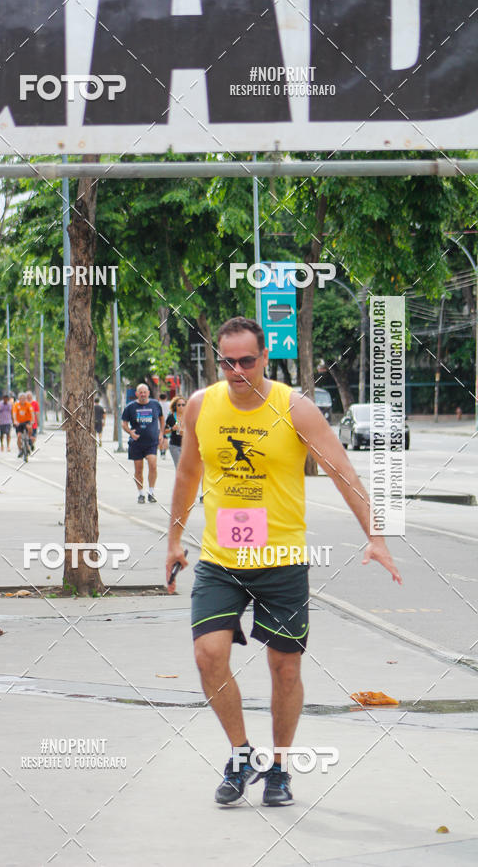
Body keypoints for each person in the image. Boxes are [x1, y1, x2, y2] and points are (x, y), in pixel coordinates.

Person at [165, 316, 401, 808]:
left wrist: (374, 536)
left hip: (282, 559)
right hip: (221, 557)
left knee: (285, 669)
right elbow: (187, 474)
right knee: (208, 655)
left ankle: (279, 768)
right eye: (226, 361)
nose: (236, 369)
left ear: (265, 357)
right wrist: (173, 540)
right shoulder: (200, 406)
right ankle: (240, 753)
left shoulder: (294, 408)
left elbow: (343, 471)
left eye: (246, 360)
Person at [121, 383, 164, 503]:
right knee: (138, 470)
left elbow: (161, 418)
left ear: (149, 393)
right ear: (137, 394)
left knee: (153, 465)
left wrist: (161, 433)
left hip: (151, 442)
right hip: (136, 443)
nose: (143, 394)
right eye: (141, 392)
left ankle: (151, 492)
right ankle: (141, 494)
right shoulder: (130, 407)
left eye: (145, 392)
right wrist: (130, 432)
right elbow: (124, 423)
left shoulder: (155, 404)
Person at [164, 396, 186, 467]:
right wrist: (172, 429)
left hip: (187, 446)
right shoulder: (171, 417)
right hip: (175, 446)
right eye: (179, 405)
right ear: (175, 406)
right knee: (179, 467)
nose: (181, 406)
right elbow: (164, 431)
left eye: (183, 405)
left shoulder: (189, 416)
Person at [12, 392, 34, 457]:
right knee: (19, 436)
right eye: (21, 398)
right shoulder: (16, 405)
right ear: (19, 399)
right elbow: (14, 414)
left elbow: (32, 413)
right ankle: (20, 450)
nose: (22, 400)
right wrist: (15, 421)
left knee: (29, 428)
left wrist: (32, 421)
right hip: (19, 422)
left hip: (27, 421)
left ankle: (29, 439)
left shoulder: (28, 404)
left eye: (24, 398)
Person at [158, 392, 171, 458]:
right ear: (166, 398)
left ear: (159, 398)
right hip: (167, 424)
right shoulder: (169, 404)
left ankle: (161, 452)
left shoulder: (157, 404)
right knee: (165, 439)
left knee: (160, 439)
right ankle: (164, 452)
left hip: (158, 425)